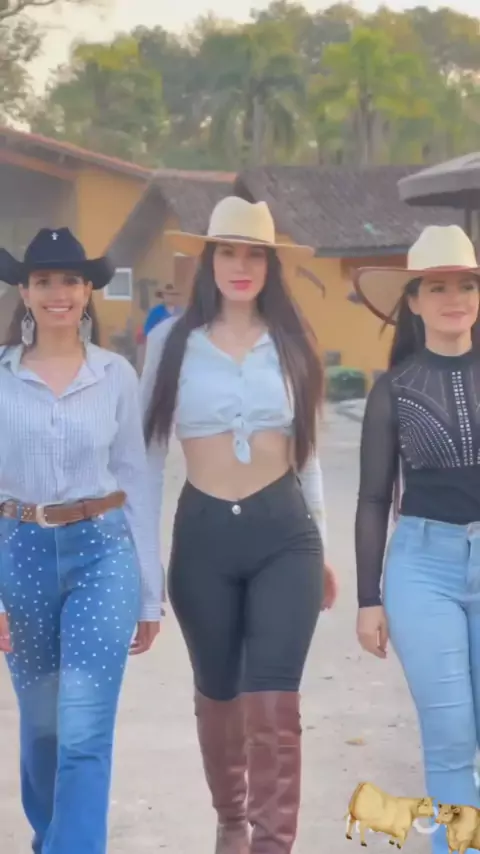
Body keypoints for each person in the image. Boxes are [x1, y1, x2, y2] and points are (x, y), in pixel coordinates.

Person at [140, 195, 337, 854]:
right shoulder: (171, 344)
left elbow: (307, 455)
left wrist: (322, 547)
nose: (241, 266)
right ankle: (232, 823)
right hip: (203, 539)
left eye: (254, 254)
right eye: (228, 252)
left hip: (285, 537)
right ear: (210, 260)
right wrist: (144, 567)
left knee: (274, 706)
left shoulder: (292, 342)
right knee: (219, 696)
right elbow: (145, 463)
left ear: (271, 265)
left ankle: (272, 843)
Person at [0, 227, 163, 854]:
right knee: (42, 728)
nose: (58, 293)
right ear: (24, 291)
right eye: (44, 281)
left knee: (85, 727)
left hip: (102, 553)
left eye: (70, 280)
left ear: (88, 290)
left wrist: (149, 593)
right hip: (20, 554)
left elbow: (136, 479)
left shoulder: (116, 375)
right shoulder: (3, 375)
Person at [353, 224, 480, 854]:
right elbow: (374, 498)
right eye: (438, 287)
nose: (455, 298)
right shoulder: (394, 390)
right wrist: (367, 598)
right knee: (450, 738)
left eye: (466, 285)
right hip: (422, 570)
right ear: (414, 301)